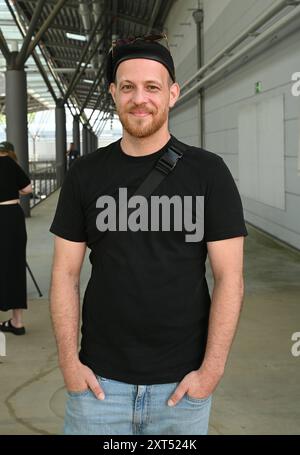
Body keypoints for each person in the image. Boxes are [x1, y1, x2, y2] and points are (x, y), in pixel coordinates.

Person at [49, 35, 248, 435]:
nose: (140, 98)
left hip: (181, 389)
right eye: (128, 87)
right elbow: (64, 274)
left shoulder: (209, 173)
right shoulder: (86, 175)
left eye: (152, 87)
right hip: (98, 387)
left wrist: (211, 372)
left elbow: (231, 278)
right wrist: (70, 365)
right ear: (113, 93)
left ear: (173, 94)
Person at [0, 141, 32, 335]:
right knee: (15, 265)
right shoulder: (10, 163)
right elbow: (28, 189)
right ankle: (17, 322)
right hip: (13, 216)